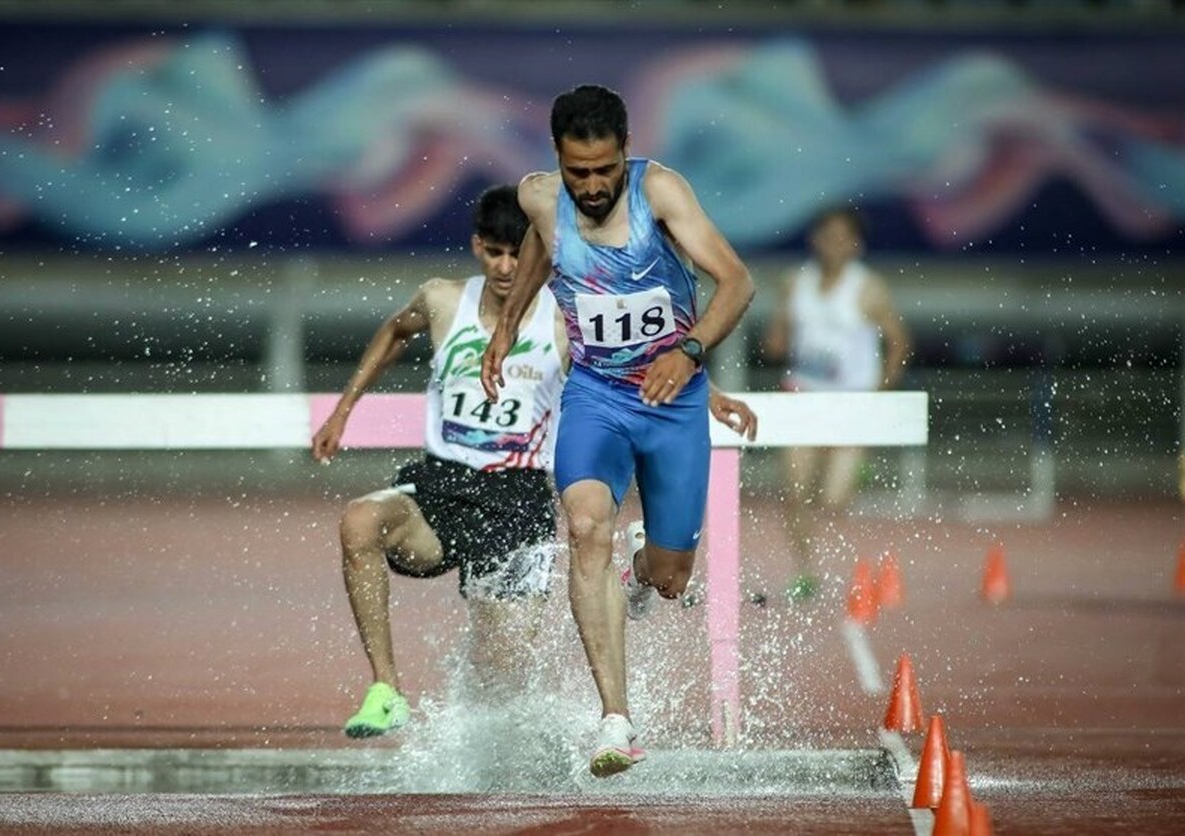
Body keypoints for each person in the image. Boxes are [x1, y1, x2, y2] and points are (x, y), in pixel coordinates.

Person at [313, 184, 759, 740]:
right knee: (359, 519)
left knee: (502, 679)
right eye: (494, 253)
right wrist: (343, 409)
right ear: (478, 247)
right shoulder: (441, 299)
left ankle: (505, 762)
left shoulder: (562, 321)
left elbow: (627, 367)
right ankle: (385, 689)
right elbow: (394, 331)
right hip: (441, 486)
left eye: (515, 255)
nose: (505, 267)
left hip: (517, 502)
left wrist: (709, 393)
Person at [480, 85, 756, 777]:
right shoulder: (539, 198)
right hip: (597, 395)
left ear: (626, 154)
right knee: (582, 525)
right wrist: (508, 327)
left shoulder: (660, 193)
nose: (594, 186)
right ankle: (617, 719)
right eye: (580, 173)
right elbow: (543, 250)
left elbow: (736, 282)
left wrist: (688, 352)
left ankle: (641, 565)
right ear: (558, 161)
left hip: (674, 401)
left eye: (606, 170)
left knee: (669, 578)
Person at [761, 206, 912, 601]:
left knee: (832, 499)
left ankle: (857, 466)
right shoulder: (796, 283)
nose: (834, 244)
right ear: (815, 240)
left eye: (843, 237)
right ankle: (806, 570)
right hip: (803, 395)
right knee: (795, 492)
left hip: (852, 401)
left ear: (856, 245)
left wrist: (881, 394)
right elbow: (776, 340)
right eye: (827, 235)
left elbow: (898, 341)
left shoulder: (868, 288)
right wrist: (777, 340)